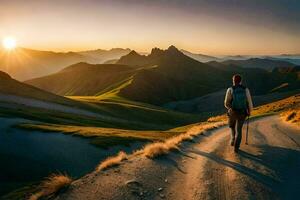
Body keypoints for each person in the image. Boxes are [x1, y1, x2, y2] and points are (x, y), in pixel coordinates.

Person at [224, 74, 253, 153]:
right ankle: (236, 148)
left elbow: (226, 103)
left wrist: (230, 108)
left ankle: (233, 138)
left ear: (233, 81)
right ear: (241, 81)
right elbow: (249, 102)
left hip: (233, 112)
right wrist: (250, 111)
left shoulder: (230, 89)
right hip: (242, 113)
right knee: (239, 130)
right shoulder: (245, 89)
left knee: (232, 126)